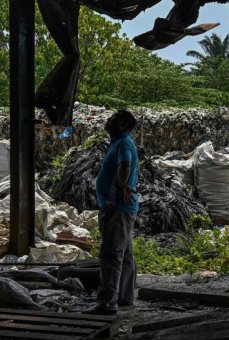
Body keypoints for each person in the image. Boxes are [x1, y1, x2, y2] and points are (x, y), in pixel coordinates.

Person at [83, 110, 139, 315]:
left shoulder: (123, 143)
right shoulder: (120, 141)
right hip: (120, 207)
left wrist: (123, 185)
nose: (108, 121)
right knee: (124, 255)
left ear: (123, 124)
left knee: (111, 255)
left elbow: (125, 164)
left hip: (117, 207)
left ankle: (106, 303)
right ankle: (124, 298)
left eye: (114, 119)